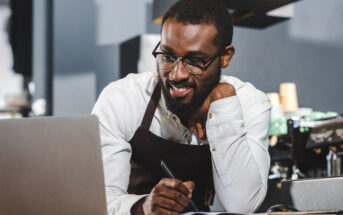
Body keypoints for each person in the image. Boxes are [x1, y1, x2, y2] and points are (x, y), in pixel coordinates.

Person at [92, 0, 272, 214]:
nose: (177, 74)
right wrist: (143, 207)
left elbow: (243, 205)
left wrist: (223, 101)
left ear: (225, 57)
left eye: (195, 61)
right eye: (167, 57)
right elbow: (96, 201)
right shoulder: (123, 98)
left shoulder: (250, 103)